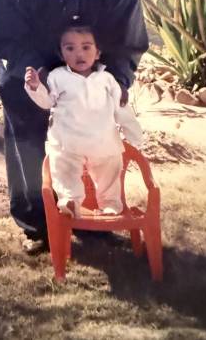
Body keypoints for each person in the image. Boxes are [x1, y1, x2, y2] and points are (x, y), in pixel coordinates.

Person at [0, 0, 148, 254]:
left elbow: (129, 41)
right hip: (25, 67)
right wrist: (42, 79)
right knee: (29, 138)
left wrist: (116, 84)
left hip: (90, 64)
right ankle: (36, 226)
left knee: (92, 135)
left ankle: (92, 217)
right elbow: (4, 40)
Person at [24, 23, 143, 219]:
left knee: (110, 168)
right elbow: (47, 102)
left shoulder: (107, 79)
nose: (79, 54)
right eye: (70, 48)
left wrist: (134, 135)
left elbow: (120, 108)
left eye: (86, 47)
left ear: (98, 52)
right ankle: (69, 201)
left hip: (102, 140)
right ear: (62, 54)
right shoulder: (57, 77)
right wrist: (36, 87)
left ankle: (110, 204)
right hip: (68, 141)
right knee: (63, 167)